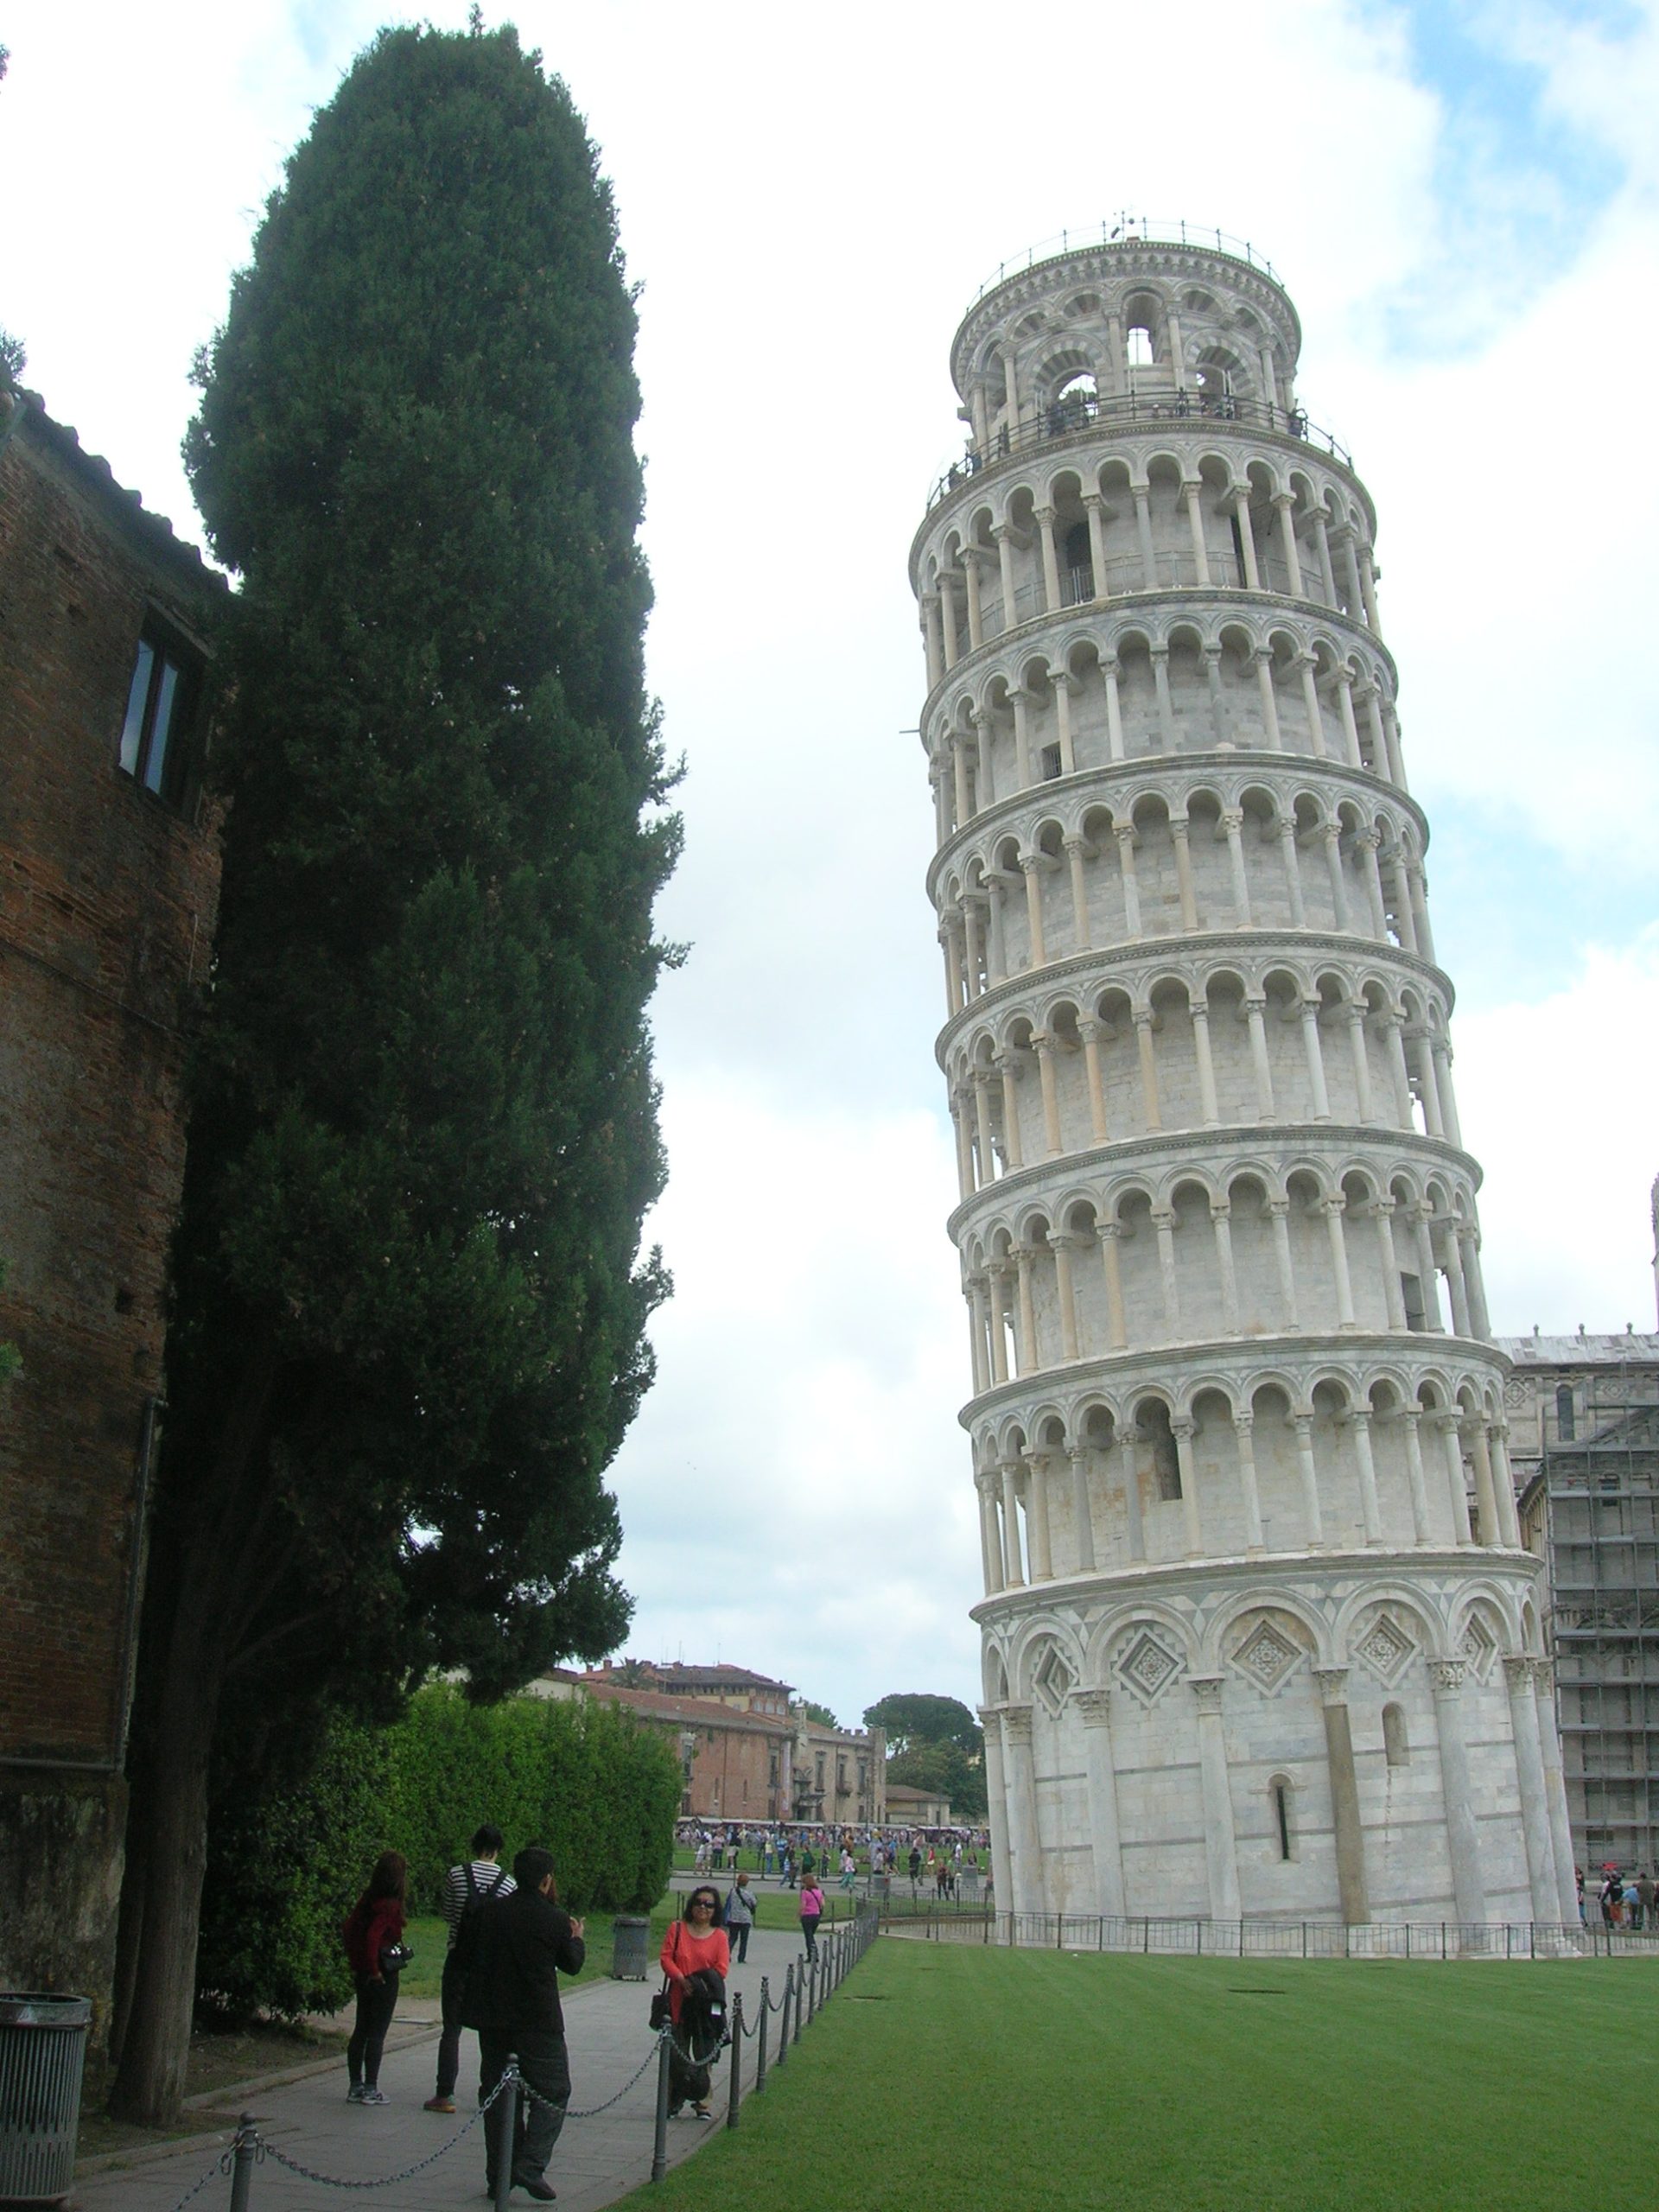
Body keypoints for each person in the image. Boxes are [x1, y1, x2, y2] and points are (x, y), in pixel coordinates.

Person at [462, 1845, 585, 2203]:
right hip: (538, 2020)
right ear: (547, 1879)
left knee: (498, 2096)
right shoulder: (553, 1918)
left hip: (495, 2017)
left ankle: (498, 2175)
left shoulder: (491, 1913)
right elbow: (572, 1963)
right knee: (554, 2090)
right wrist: (577, 1939)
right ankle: (530, 2164)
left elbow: (470, 1954)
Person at [425, 1823, 516, 2114]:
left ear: (474, 1845)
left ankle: (444, 2093)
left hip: (458, 1959)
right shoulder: (508, 1883)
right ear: (499, 1849)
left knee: (451, 2029)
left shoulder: (456, 1874)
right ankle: (487, 2093)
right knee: (489, 2032)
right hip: (488, 1966)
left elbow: (449, 1915)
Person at [340, 1850, 407, 2106]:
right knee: (377, 2032)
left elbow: (350, 1929)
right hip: (382, 1973)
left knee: (361, 2027)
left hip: (362, 1972)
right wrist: (376, 1970)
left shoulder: (367, 1901)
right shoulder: (390, 1907)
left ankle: (355, 2084)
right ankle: (371, 2087)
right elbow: (373, 1939)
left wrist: (359, 1965)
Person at [661, 1885, 729, 2120]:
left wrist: (697, 1984)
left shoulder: (720, 1936)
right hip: (679, 2000)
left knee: (704, 2053)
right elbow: (666, 1957)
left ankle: (702, 2101)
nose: (703, 1908)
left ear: (715, 1910)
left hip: (704, 2004)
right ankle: (673, 2099)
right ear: (691, 1905)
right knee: (676, 2053)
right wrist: (681, 1979)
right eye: (699, 1902)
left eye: (709, 1905)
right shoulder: (677, 1929)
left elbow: (721, 1969)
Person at [724, 1870, 758, 1963]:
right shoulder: (748, 1893)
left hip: (733, 1917)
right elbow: (754, 1903)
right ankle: (741, 1958)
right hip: (745, 1919)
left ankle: (727, 1955)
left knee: (732, 1938)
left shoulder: (732, 1891)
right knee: (744, 1940)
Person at [798, 1876, 824, 1961]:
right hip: (816, 1915)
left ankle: (812, 1954)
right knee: (811, 1935)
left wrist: (800, 1914)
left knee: (808, 1936)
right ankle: (814, 1953)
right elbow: (823, 1904)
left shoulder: (805, 1892)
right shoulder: (819, 1892)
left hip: (807, 1915)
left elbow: (803, 1905)